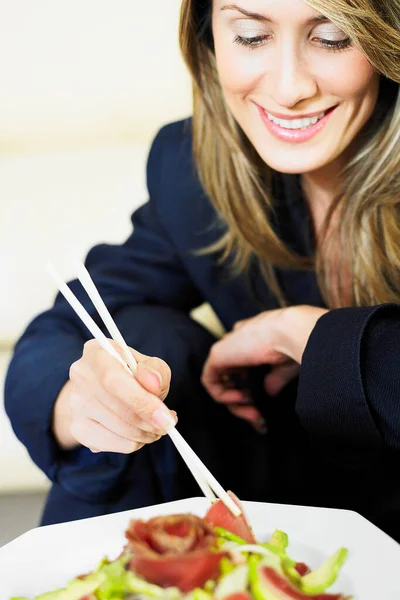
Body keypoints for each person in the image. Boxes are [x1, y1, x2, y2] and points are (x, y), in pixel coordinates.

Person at [5, 0, 400, 542]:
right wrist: (86, 403)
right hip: (279, 494)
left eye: (332, 37)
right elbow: (69, 324)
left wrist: (307, 335)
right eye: (251, 35)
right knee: (139, 340)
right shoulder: (194, 168)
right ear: (208, 37)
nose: (288, 89)